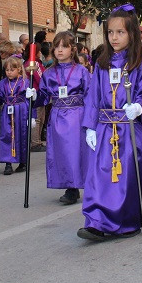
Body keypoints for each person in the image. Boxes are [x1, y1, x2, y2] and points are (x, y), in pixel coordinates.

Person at [77, 5, 142, 242]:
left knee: (126, 178)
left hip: (129, 129)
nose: (114, 37)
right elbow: (92, 96)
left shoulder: (140, 63)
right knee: (99, 175)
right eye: (111, 32)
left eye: (120, 32)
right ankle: (97, 221)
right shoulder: (102, 64)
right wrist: (90, 126)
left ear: (132, 34)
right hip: (104, 128)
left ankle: (127, 221)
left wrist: (139, 106)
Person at [35, 31, 91, 204]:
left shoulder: (81, 71)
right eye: (56, 46)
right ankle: (70, 187)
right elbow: (43, 98)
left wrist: (90, 121)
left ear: (72, 49)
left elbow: (90, 95)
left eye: (64, 46)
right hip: (58, 116)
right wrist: (32, 95)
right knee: (63, 153)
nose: (59, 50)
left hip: (78, 115)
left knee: (77, 151)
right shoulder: (48, 73)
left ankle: (86, 185)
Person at [0, 57, 35, 175]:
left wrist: (32, 116)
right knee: (6, 134)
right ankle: (8, 163)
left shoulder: (25, 82)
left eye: (12, 70)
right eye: (7, 70)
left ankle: (23, 162)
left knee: (21, 135)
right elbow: (0, 100)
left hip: (21, 110)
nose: (9, 72)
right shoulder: (2, 83)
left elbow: (30, 101)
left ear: (19, 69)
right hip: (7, 110)